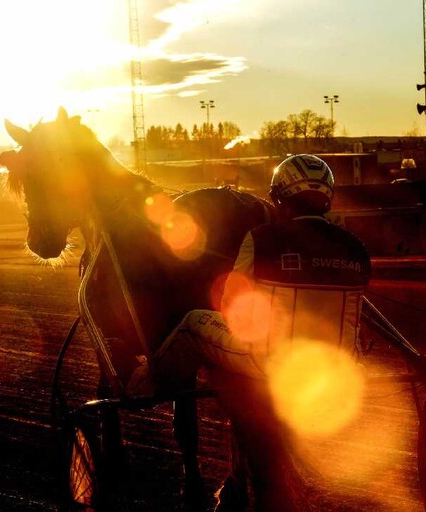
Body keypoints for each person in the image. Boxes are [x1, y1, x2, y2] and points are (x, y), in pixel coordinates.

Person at [153, 154, 372, 511]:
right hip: (337, 361)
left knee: (193, 321)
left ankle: (149, 379)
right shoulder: (356, 249)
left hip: (266, 359)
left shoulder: (261, 238)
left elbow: (231, 305)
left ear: (279, 198)